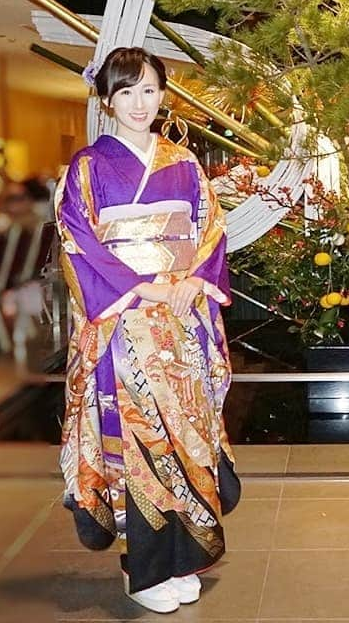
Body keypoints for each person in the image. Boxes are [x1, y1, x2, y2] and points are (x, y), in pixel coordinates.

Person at [54, 47, 240, 614]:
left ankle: (181, 559)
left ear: (164, 94)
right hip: (125, 321)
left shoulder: (185, 164)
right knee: (139, 438)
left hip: (182, 323)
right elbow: (76, 239)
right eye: (127, 91)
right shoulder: (87, 167)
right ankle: (146, 568)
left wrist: (192, 282)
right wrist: (147, 287)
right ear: (107, 99)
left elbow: (211, 231)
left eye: (150, 89)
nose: (140, 103)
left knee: (187, 433)